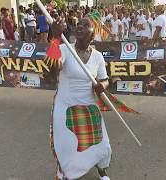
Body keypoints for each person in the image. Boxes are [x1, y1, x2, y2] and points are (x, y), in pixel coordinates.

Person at [51, 18, 111, 180]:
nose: (80, 26)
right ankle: (65, 172)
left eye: (86, 25)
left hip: (89, 105)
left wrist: (102, 86)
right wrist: (55, 39)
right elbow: (52, 72)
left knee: (101, 142)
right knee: (67, 143)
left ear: (93, 34)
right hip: (66, 105)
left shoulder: (97, 56)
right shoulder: (64, 49)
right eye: (79, 24)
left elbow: (105, 79)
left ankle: (102, 169)